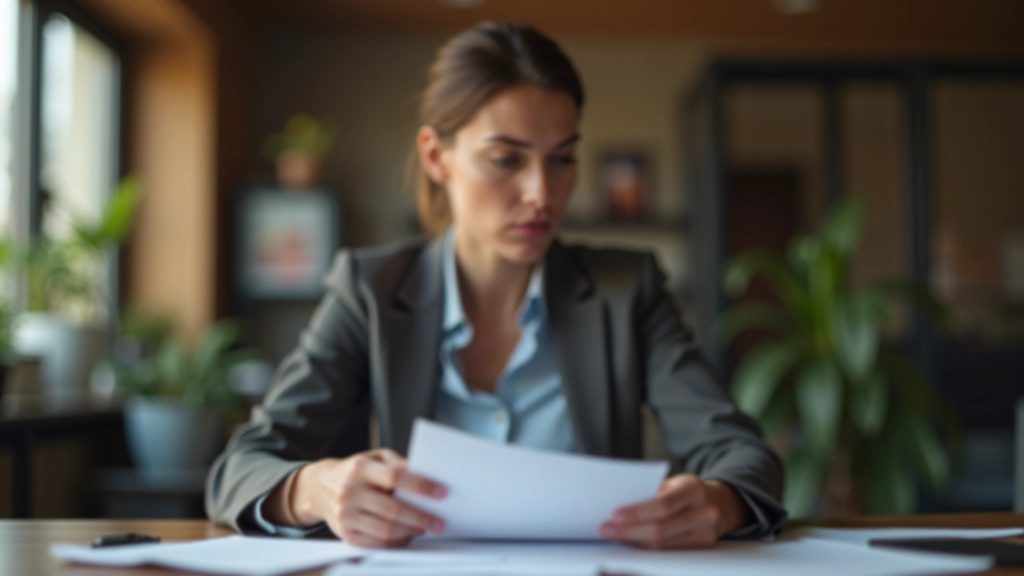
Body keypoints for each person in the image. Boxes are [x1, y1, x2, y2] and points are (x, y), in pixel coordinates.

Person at [206, 21, 787, 550]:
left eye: (562, 159)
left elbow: (741, 456)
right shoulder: (370, 290)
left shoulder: (625, 289)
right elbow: (239, 468)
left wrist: (718, 502)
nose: (541, 193)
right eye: (507, 160)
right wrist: (317, 488)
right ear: (437, 157)